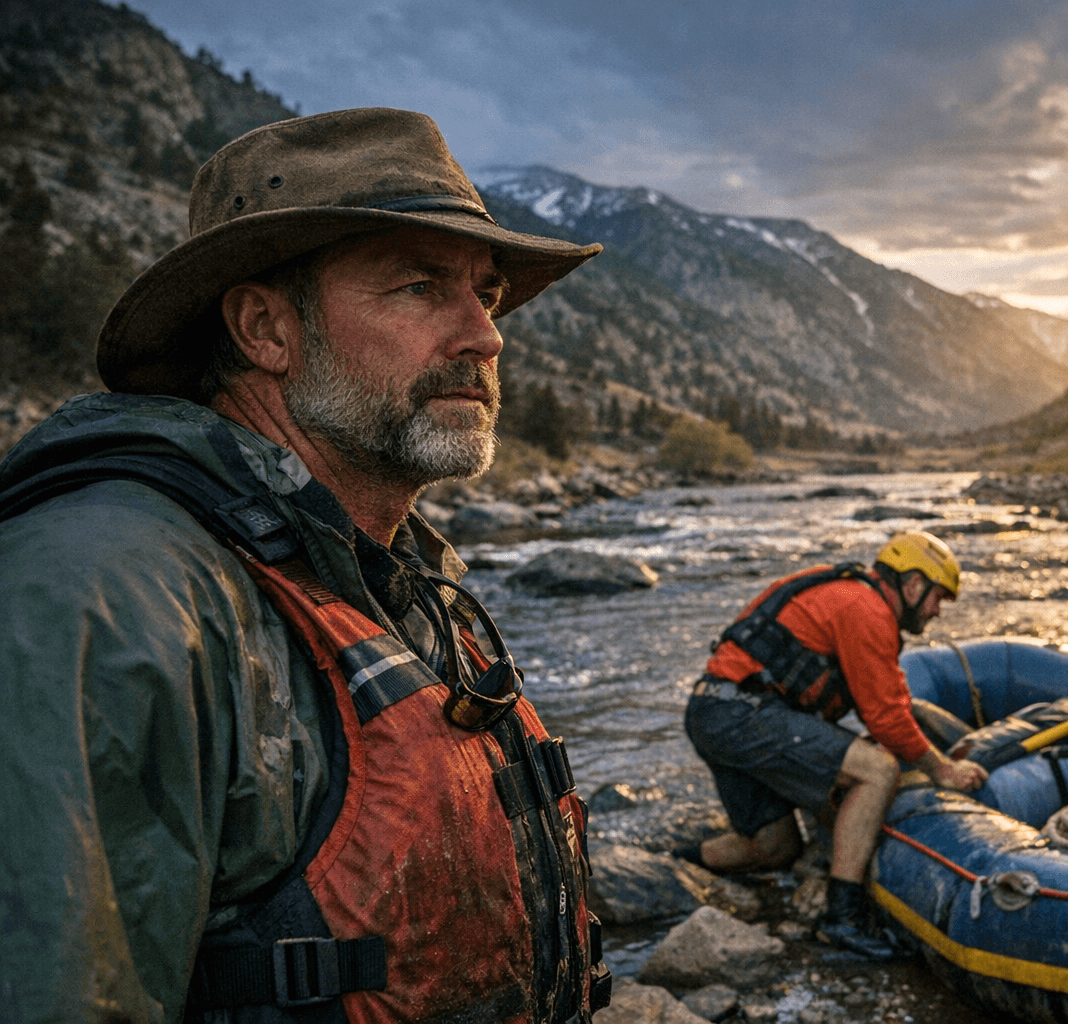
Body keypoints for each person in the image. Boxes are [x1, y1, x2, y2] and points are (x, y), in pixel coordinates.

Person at [0, 108, 612, 1023]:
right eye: (417, 285)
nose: (484, 337)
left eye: (485, 294)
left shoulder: (380, 573)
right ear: (265, 330)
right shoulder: (108, 590)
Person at [682, 531, 989, 960]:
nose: (938, 610)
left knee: (775, 848)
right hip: (741, 715)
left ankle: (679, 864)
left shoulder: (848, 594)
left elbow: (889, 700)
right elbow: (885, 719)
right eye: (939, 596)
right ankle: (842, 918)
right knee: (878, 770)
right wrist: (942, 770)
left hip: (711, 712)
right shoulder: (866, 609)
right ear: (914, 584)